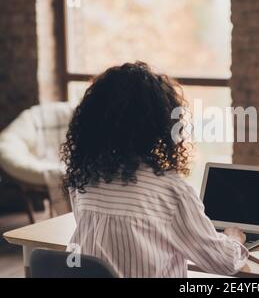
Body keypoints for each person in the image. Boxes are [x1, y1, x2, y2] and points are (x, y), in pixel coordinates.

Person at [62, 62, 248, 278]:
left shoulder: (83, 179)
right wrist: (234, 238)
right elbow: (224, 263)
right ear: (161, 123)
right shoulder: (171, 191)